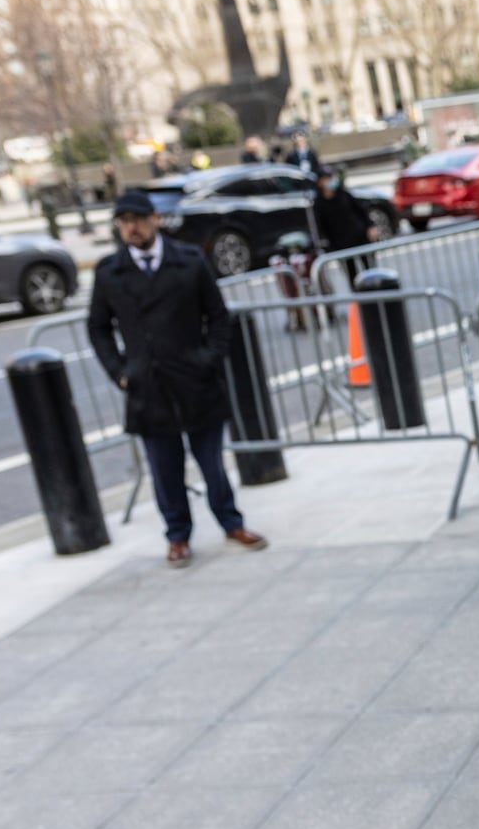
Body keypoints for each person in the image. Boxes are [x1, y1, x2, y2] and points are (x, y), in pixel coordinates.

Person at [86, 190, 268, 566]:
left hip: (195, 379)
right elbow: (98, 329)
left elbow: (217, 315)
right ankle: (178, 536)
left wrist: (210, 358)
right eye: (124, 222)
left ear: (154, 219)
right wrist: (120, 372)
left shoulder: (188, 260)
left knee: (212, 464)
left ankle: (231, 523)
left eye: (137, 220)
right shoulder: (109, 272)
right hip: (148, 386)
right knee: (165, 471)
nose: (131, 228)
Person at [312, 168, 378, 254]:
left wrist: (370, 227)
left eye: (330, 177)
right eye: (326, 178)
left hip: (360, 237)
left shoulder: (343, 194)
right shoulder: (319, 203)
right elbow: (321, 226)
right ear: (320, 182)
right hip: (341, 245)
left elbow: (361, 210)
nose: (330, 180)